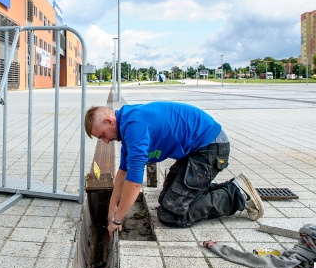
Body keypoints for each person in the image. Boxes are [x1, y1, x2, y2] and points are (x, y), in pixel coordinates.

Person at [84, 102, 264, 239]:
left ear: (109, 121)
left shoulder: (134, 127)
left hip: (210, 148)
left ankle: (237, 195)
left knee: (170, 213)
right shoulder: (127, 123)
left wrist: (117, 220)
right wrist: (111, 209)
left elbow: (134, 184)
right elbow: (122, 173)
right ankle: (233, 188)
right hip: (197, 150)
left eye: (102, 136)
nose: (105, 141)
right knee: (166, 199)